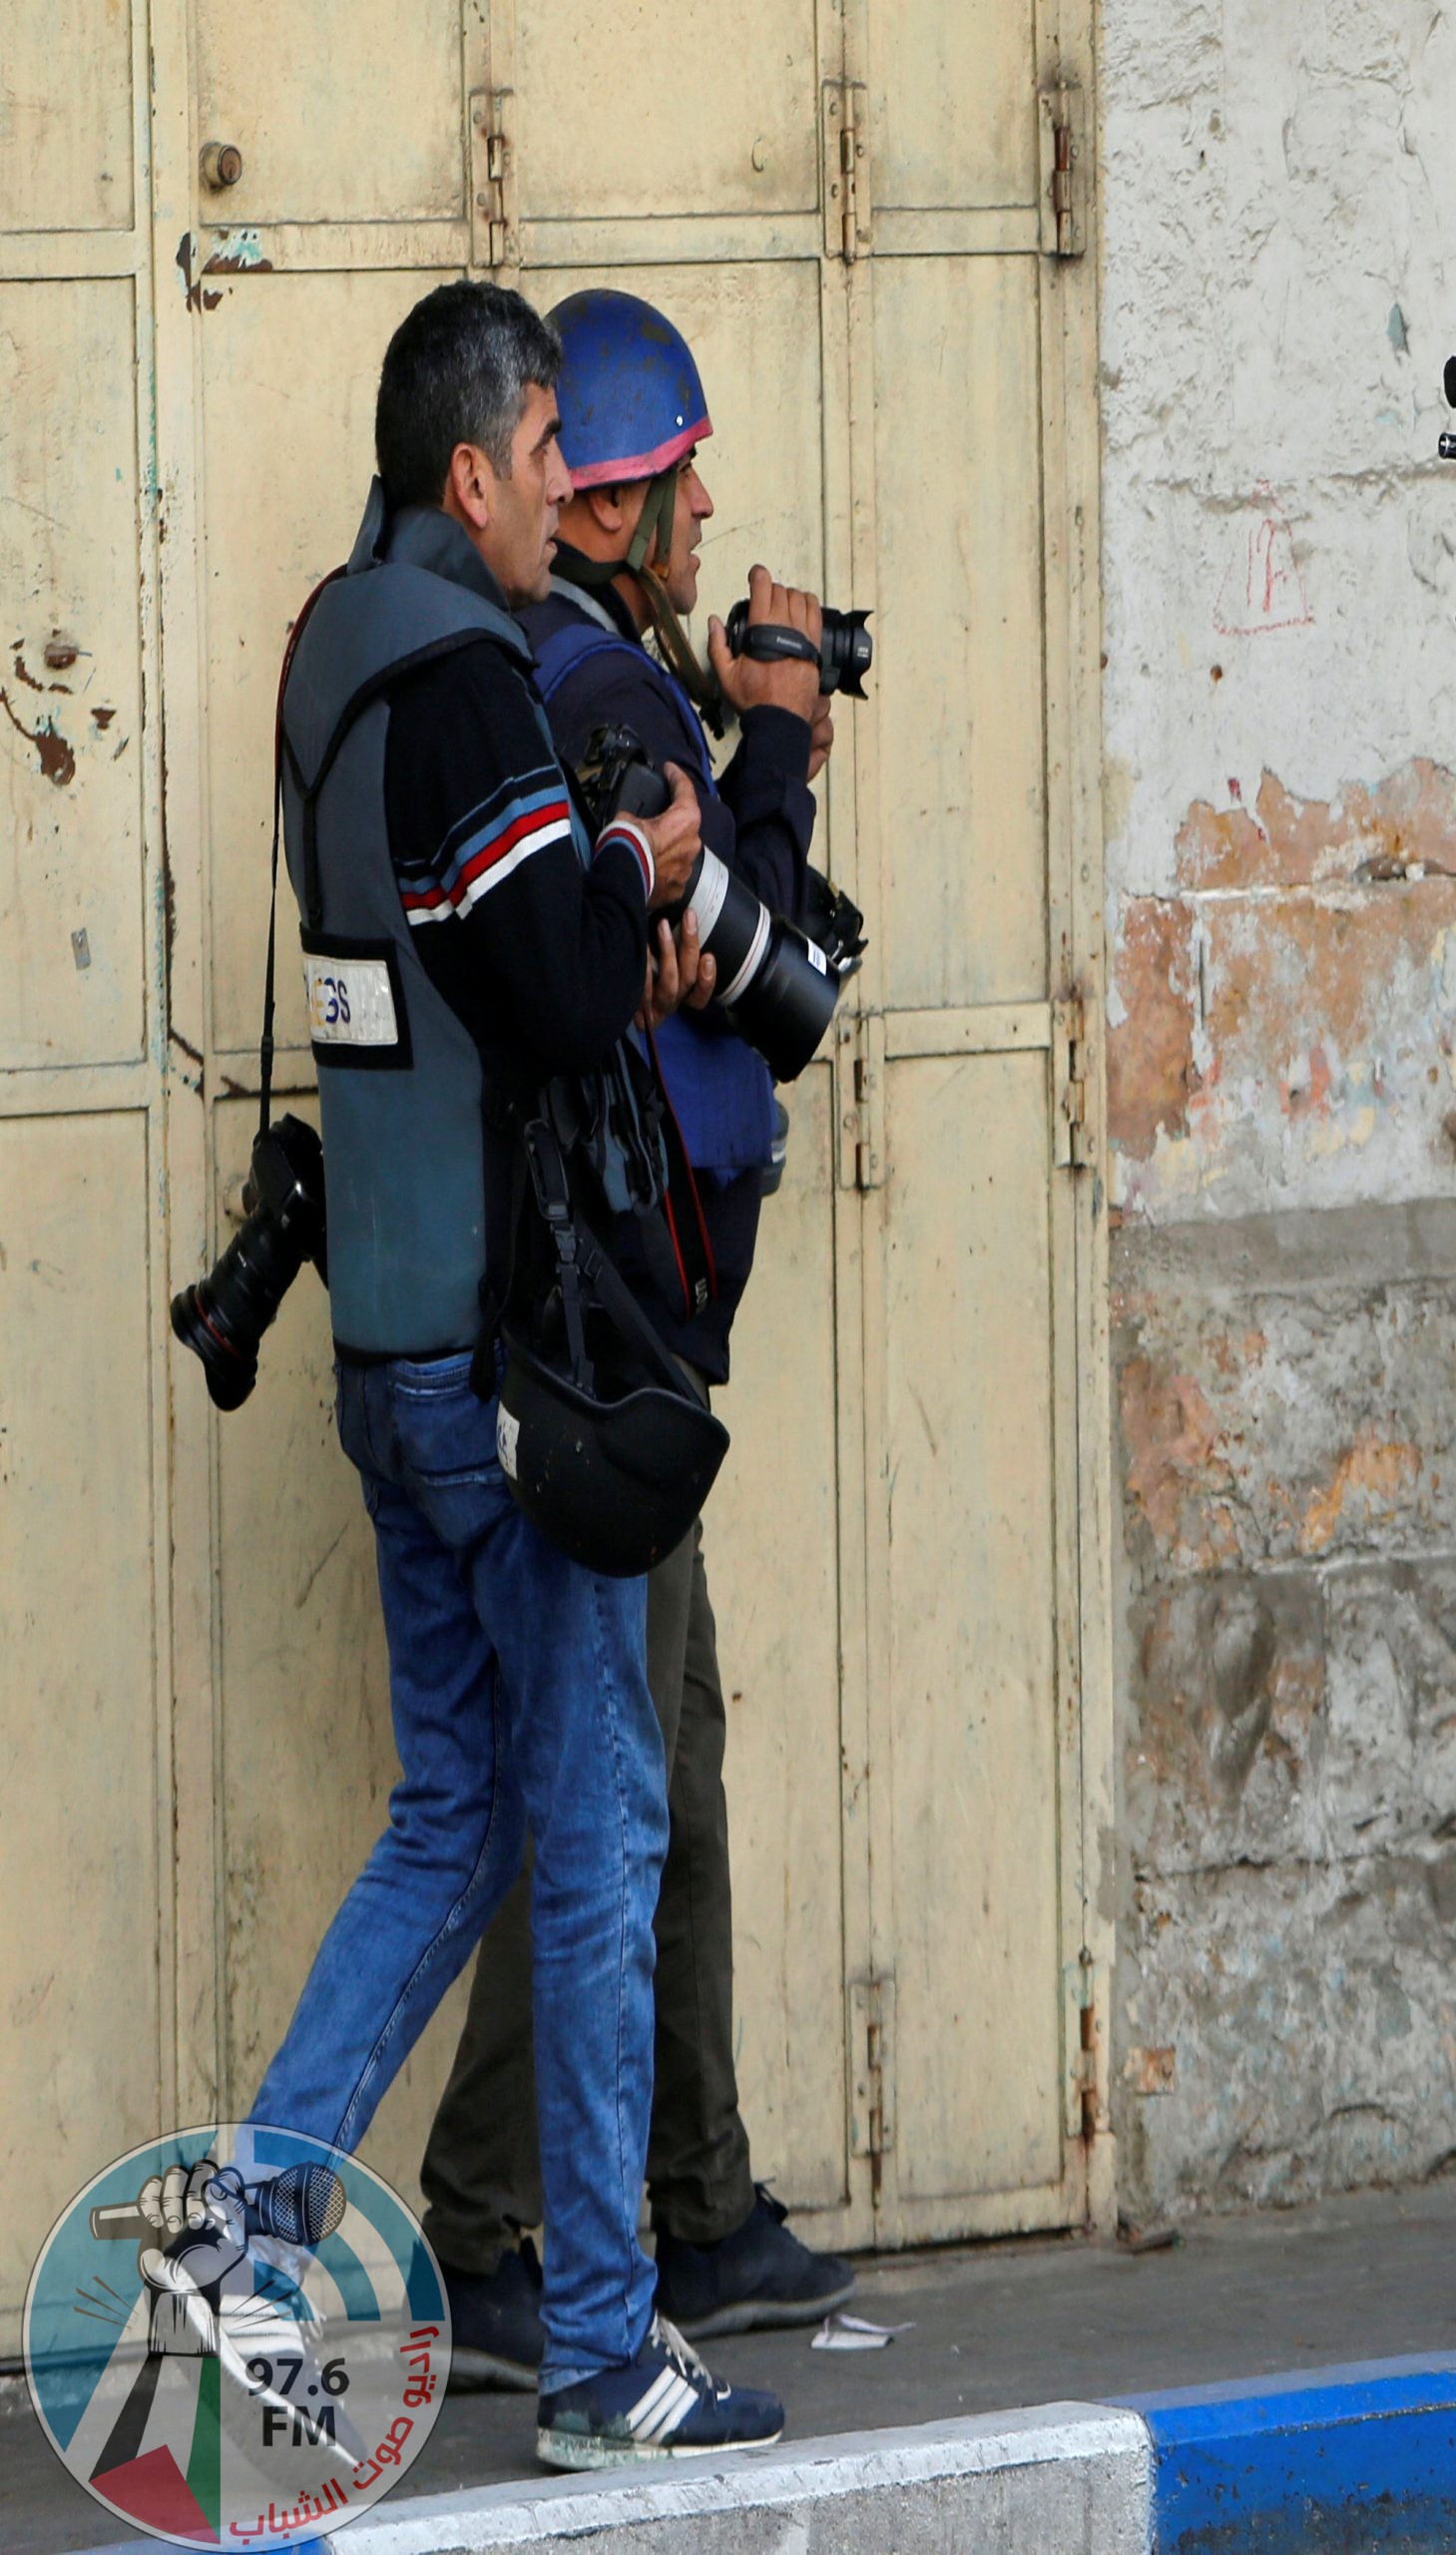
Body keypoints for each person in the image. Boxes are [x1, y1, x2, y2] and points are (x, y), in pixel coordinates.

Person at [242, 278, 787, 2463]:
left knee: (451, 1808)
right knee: (595, 1821)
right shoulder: (471, 683)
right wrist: (650, 858)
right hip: (503, 1360)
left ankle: (259, 2234)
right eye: (549, 449)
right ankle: (599, 2350)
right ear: (467, 471)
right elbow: (562, 993)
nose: (573, 484)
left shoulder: (325, 653)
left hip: (386, 1342)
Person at [418, 287, 861, 2385]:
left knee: (649, 1757)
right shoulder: (600, 691)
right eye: (682, 480)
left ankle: (702, 2201)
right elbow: (762, 969)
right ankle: (495, 2230)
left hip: (626, 1305)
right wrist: (767, 734)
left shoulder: (584, 669)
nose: (706, 518)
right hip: (607, 1323)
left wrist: (747, 725)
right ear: (610, 490)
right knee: (590, 1779)